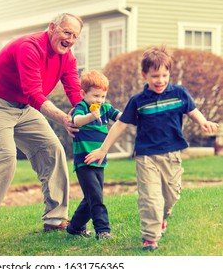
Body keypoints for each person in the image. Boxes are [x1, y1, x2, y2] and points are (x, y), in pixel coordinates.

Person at [0, 13, 84, 245]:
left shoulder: (67, 58)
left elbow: (74, 90)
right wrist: (63, 118)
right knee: (5, 157)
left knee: (52, 150)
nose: (70, 39)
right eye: (66, 32)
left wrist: (86, 112)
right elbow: (34, 93)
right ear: (52, 27)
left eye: (75, 36)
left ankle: (55, 219)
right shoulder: (29, 47)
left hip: (23, 106)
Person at [84, 45, 219, 250]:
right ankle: (150, 237)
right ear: (144, 75)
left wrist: (203, 122)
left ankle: (162, 218)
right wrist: (103, 149)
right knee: (150, 197)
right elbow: (120, 124)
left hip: (172, 155)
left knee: (171, 196)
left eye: (165, 75)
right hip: (146, 156)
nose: (161, 80)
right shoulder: (138, 101)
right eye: (155, 76)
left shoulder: (179, 93)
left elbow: (192, 110)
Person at [66, 70, 121, 240]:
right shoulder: (81, 107)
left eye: (103, 96)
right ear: (83, 94)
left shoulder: (105, 108)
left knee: (92, 196)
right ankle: (103, 230)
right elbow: (76, 121)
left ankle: (74, 227)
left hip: (99, 161)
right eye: (96, 96)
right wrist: (91, 116)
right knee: (96, 197)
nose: (100, 100)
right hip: (84, 162)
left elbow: (121, 117)